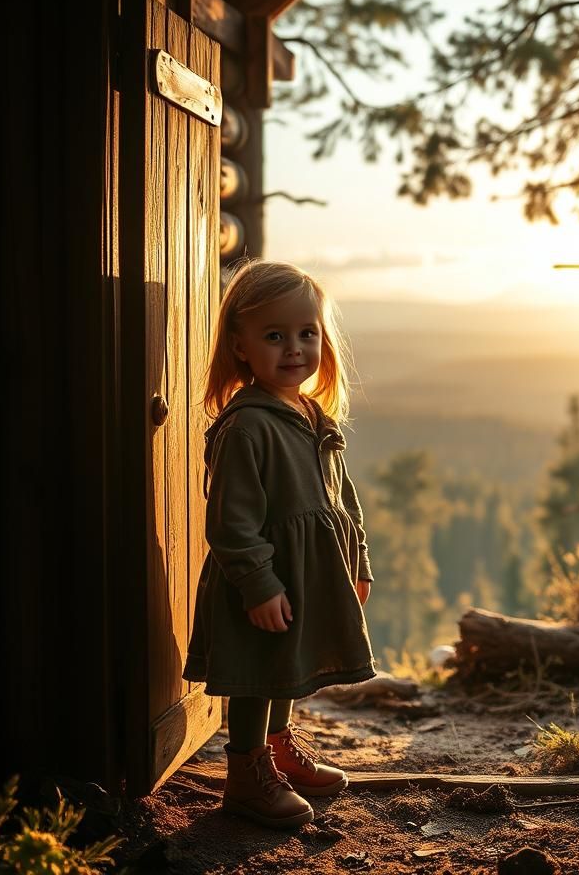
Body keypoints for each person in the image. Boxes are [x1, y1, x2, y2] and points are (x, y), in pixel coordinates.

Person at [182, 258, 376, 830]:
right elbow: (231, 524)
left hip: (311, 572)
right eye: (274, 336)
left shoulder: (311, 413)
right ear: (240, 346)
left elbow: (344, 497)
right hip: (266, 579)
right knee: (258, 672)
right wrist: (259, 585)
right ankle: (246, 775)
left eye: (306, 333)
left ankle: (278, 746)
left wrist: (357, 560)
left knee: (290, 666)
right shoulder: (248, 426)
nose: (294, 348)